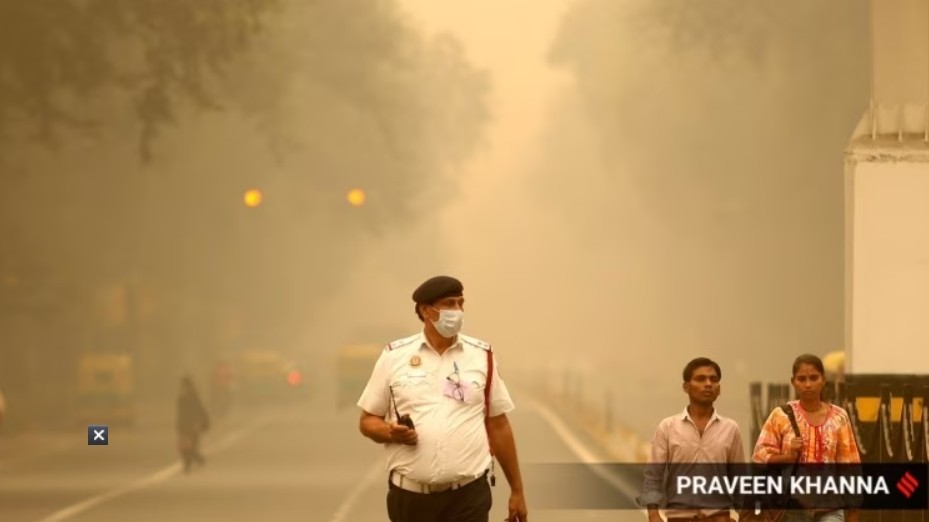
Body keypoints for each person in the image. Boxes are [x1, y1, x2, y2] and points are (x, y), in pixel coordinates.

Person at [357, 275, 529, 522]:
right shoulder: (394, 356)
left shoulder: (481, 356)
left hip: (468, 496)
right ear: (427, 311)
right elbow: (367, 421)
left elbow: (498, 424)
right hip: (410, 498)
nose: (457, 311)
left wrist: (517, 490)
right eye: (449, 304)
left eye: (461, 303)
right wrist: (390, 432)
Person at [752, 354, 861, 522]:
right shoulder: (781, 415)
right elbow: (760, 456)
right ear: (793, 382)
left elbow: (849, 466)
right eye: (802, 379)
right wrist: (788, 456)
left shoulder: (839, 416)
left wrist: (854, 510)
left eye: (813, 378)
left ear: (823, 380)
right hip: (793, 507)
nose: (808, 384)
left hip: (831, 507)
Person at [640, 357, 745, 522]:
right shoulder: (667, 427)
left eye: (714, 379)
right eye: (700, 379)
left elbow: (739, 480)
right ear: (686, 387)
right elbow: (653, 476)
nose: (708, 384)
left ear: (719, 389)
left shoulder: (731, 429)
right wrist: (653, 515)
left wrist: (742, 516)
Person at [176, 375, 210, 473]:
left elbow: (199, 409)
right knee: (185, 447)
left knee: (191, 446)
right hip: (185, 425)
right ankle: (193, 461)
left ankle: (193, 462)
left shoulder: (192, 396)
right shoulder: (183, 396)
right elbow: (180, 413)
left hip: (192, 425)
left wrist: (201, 422)